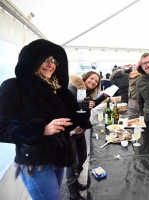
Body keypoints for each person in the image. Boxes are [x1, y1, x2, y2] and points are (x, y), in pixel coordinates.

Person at [0, 39, 92, 200]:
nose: (51, 64)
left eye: (54, 60)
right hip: (35, 163)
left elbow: (68, 121)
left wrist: (82, 109)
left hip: (57, 157)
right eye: (46, 59)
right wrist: (41, 129)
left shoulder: (56, 90)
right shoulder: (13, 86)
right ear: (32, 60)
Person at [67, 71, 108, 199]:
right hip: (71, 132)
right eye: (91, 78)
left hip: (80, 130)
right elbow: (70, 109)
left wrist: (102, 97)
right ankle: (73, 194)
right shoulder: (72, 89)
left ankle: (75, 177)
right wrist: (83, 106)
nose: (93, 82)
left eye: (96, 81)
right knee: (71, 163)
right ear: (85, 78)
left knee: (83, 157)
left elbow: (89, 105)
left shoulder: (86, 92)